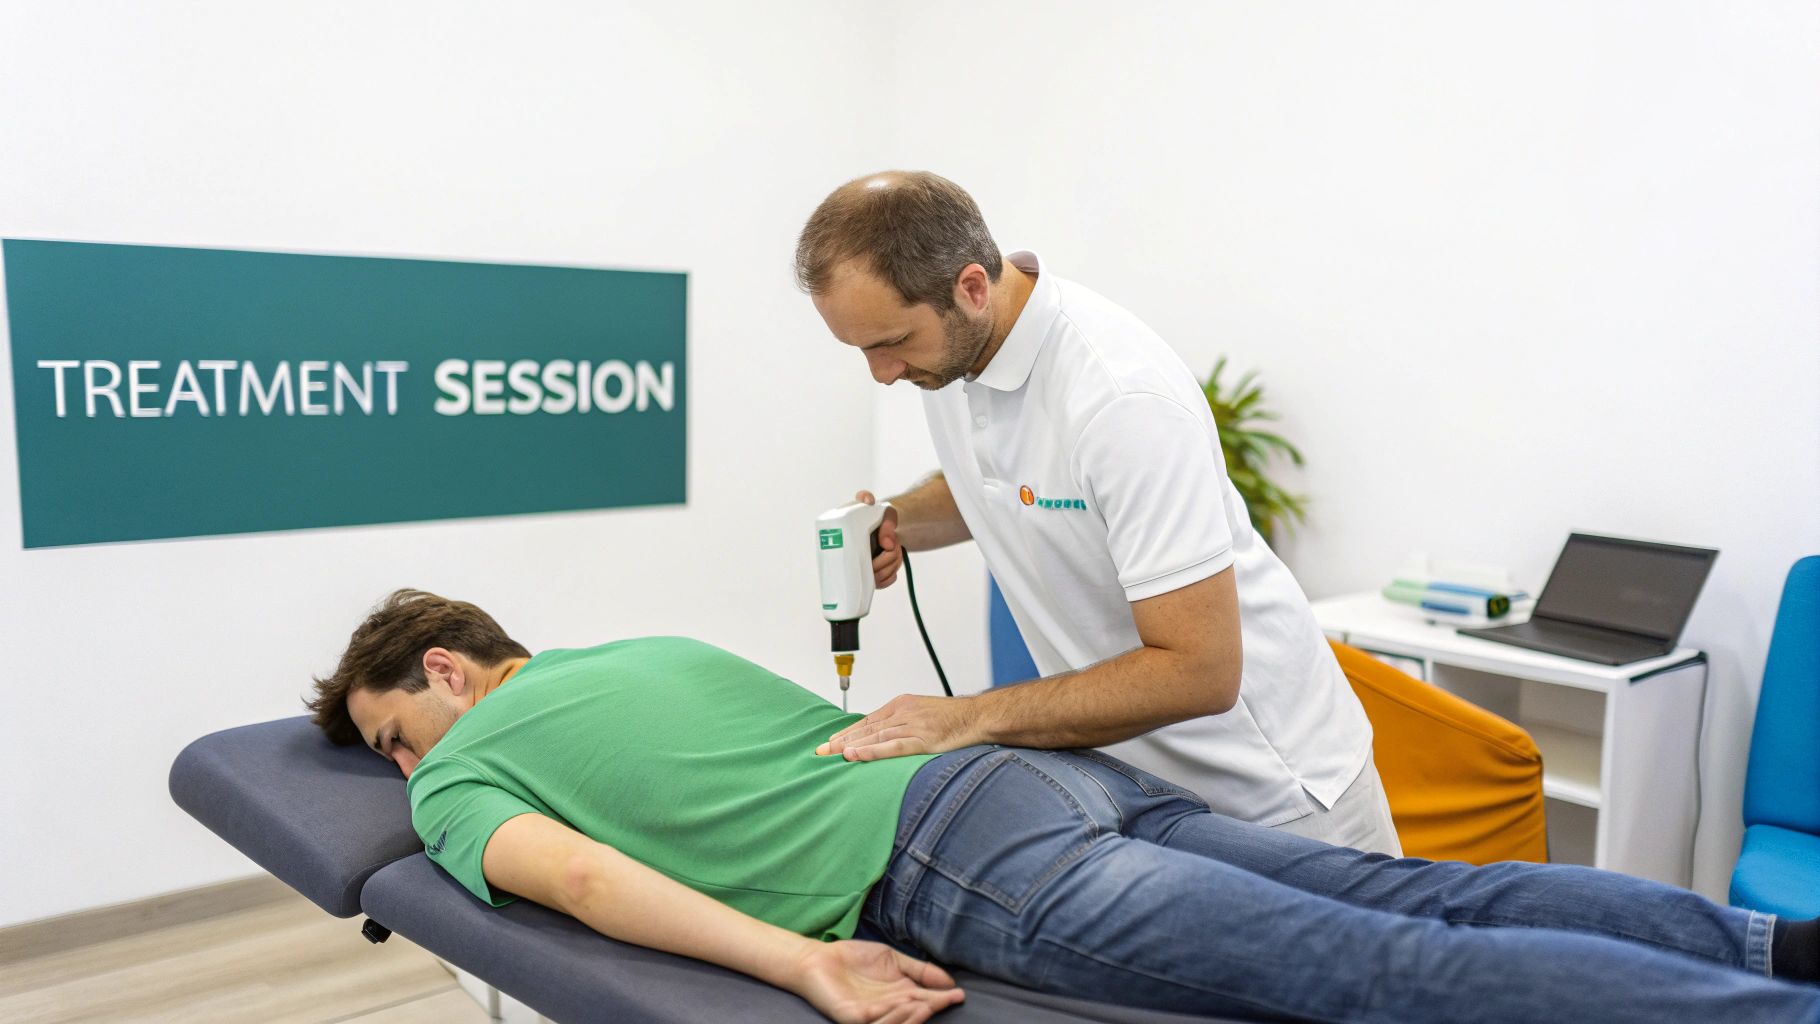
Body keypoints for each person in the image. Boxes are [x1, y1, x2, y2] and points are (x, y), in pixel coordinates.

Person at [307, 589, 1820, 1024]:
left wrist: (804, 961)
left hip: (952, 861)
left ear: (448, 672)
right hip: (1028, 774)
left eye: (393, 733)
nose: (403, 769)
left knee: (1384, 979)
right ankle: (1775, 954)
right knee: (1426, 899)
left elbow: (573, 883)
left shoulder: (463, 765)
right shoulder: (645, 643)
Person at [796, 171, 1397, 855]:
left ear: (969, 288)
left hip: (1275, 799)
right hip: (1138, 790)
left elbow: (1199, 672)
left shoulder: (1119, 398)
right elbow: (996, 483)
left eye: (891, 342)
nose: (883, 373)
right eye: (863, 348)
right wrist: (898, 518)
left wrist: (964, 719)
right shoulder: (953, 354)